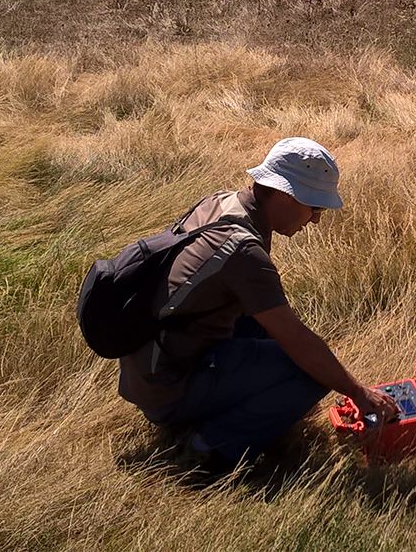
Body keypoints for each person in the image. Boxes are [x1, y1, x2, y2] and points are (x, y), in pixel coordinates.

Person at [118, 136, 399, 471]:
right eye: (314, 206)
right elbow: (296, 339)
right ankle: (208, 451)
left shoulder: (220, 203)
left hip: (149, 365)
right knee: (309, 372)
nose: (315, 220)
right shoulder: (242, 250)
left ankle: (229, 408)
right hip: (167, 387)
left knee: (277, 336)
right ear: (283, 194)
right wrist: (358, 392)